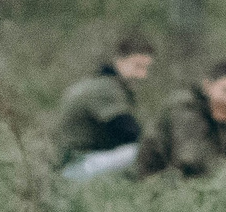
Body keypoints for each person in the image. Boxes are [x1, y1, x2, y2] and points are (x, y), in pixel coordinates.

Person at [55, 33, 154, 182]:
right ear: (119, 61)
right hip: (75, 167)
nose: (142, 75)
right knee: (140, 152)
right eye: (137, 66)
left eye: (146, 68)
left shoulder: (101, 83)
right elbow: (129, 131)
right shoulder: (106, 89)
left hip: (76, 161)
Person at [138, 60, 226, 178]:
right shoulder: (186, 108)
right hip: (155, 182)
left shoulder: (221, 114)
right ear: (207, 86)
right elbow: (190, 160)